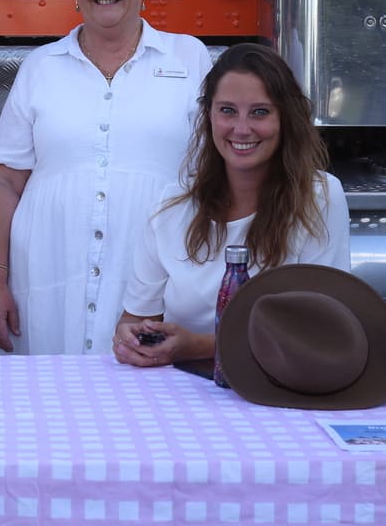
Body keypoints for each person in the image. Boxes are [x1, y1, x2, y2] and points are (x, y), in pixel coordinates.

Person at [0, 0, 213, 355]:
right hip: (48, 274)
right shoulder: (41, 66)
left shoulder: (189, 57)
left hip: (152, 273)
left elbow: (214, 174)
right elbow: (2, 179)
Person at [113, 43, 351, 367]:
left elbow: (318, 329)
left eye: (259, 112)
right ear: (208, 115)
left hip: (277, 391)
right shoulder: (170, 205)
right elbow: (135, 319)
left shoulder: (319, 196)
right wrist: (131, 340)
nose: (241, 129)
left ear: (286, 119)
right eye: (227, 110)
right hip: (178, 392)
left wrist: (198, 346)